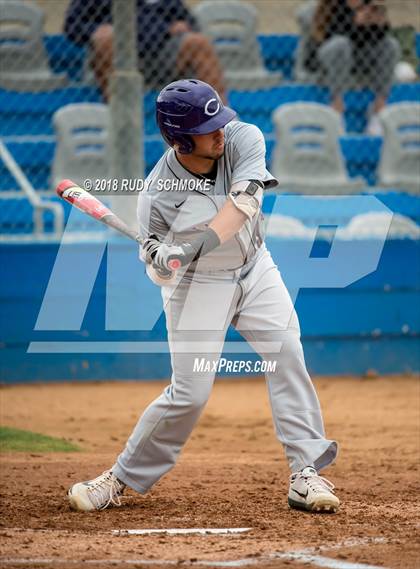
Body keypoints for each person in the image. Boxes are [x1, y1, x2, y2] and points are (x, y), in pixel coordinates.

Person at [67, 79, 340, 514]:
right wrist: (160, 259)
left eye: (219, 121)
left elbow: (245, 203)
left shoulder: (243, 138)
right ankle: (118, 479)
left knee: (287, 351)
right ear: (178, 140)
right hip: (196, 285)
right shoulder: (155, 197)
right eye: (206, 127)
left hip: (254, 265)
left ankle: (305, 473)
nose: (220, 132)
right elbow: (159, 272)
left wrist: (190, 245)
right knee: (190, 393)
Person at [64, 0, 227, 102]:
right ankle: (118, 105)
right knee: (105, 38)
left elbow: (189, 21)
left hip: (161, 55)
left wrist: (182, 24)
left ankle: (219, 113)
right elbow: (72, 26)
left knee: (198, 42)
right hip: (118, 58)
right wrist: (96, 29)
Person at [303, 0, 400, 133]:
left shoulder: (368, 5)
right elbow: (327, 35)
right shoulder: (332, 5)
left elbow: (377, 38)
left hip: (358, 59)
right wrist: (355, 23)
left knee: (391, 45)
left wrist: (379, 24)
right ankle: (336, 107)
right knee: (341, 44)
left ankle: (379, 109)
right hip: (327, 59)